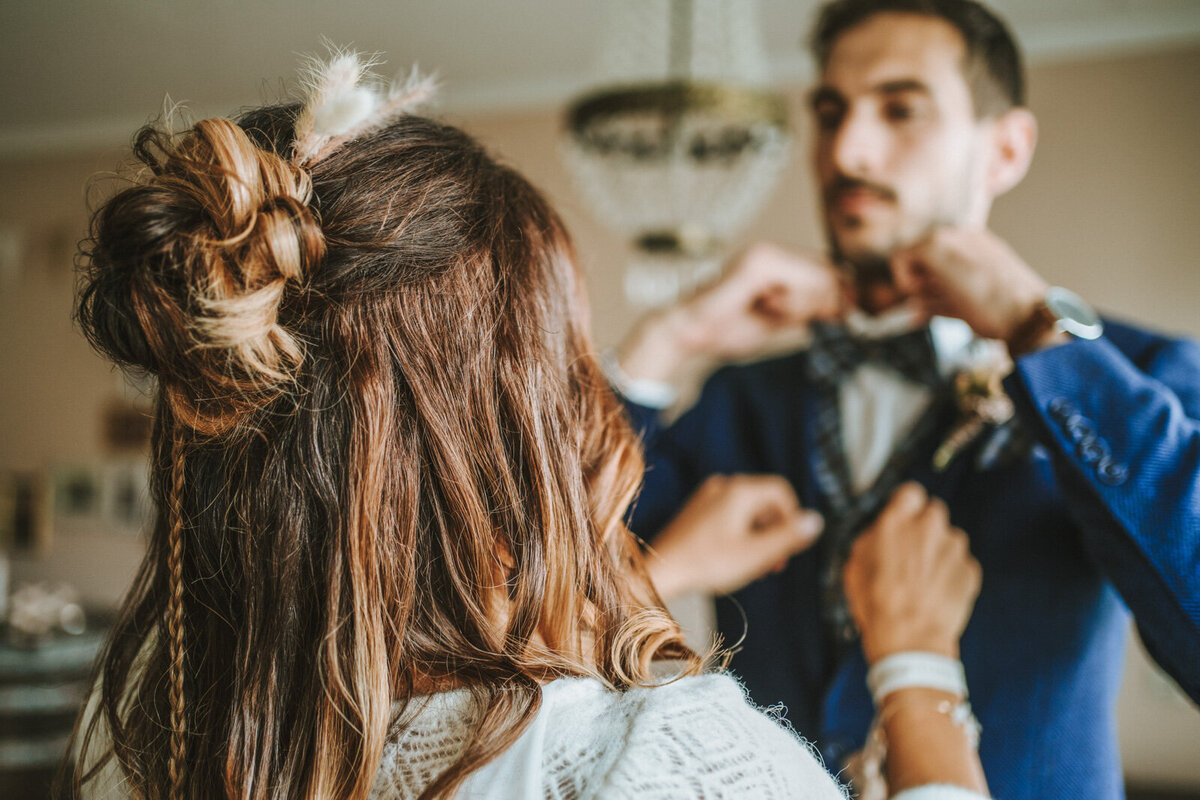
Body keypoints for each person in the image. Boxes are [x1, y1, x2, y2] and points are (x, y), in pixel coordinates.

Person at [66, 51, 994, 800]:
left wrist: (669, 350)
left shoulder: (137, 723)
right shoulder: (657, 764)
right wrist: (919, 678)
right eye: (570, 360)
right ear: (524, 419)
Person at [615, 1, 1200, 798]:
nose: (847, 150)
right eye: (830, 112)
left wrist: (1039, 334)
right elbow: (547, 577)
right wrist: (667, 342)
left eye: (900, 109)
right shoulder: (743, 398)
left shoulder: (1129, 376)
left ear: (1004, 149)